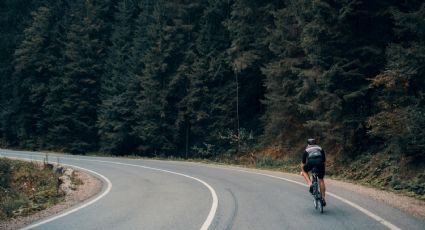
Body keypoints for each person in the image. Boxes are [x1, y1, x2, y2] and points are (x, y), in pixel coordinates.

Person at [300, 138, 327, 206]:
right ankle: (323, 198)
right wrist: (322, 168)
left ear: (308, 144)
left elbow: (303, 163)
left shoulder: (306, 150)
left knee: (304, 170)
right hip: (320, 163)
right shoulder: (320, 148)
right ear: (315, 143)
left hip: (311, 162)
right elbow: (324, 160)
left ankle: (310, 183)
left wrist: (302, 171)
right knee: (321, 180)